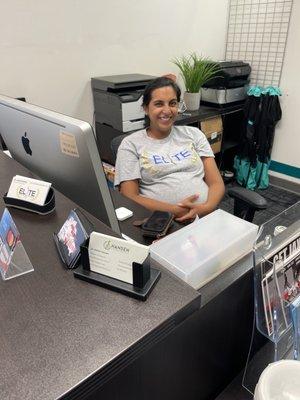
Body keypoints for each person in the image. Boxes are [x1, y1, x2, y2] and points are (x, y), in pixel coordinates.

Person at [114, 77, 225, 222]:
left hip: (205, 217)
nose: (167, 110)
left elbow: (216, 183)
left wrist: (205, 208)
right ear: (146, 108)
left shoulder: (194, 134)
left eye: (172, 103)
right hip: (162, 221)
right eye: (159, 104)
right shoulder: (131, 144)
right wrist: (175, 211)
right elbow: (130, 196)